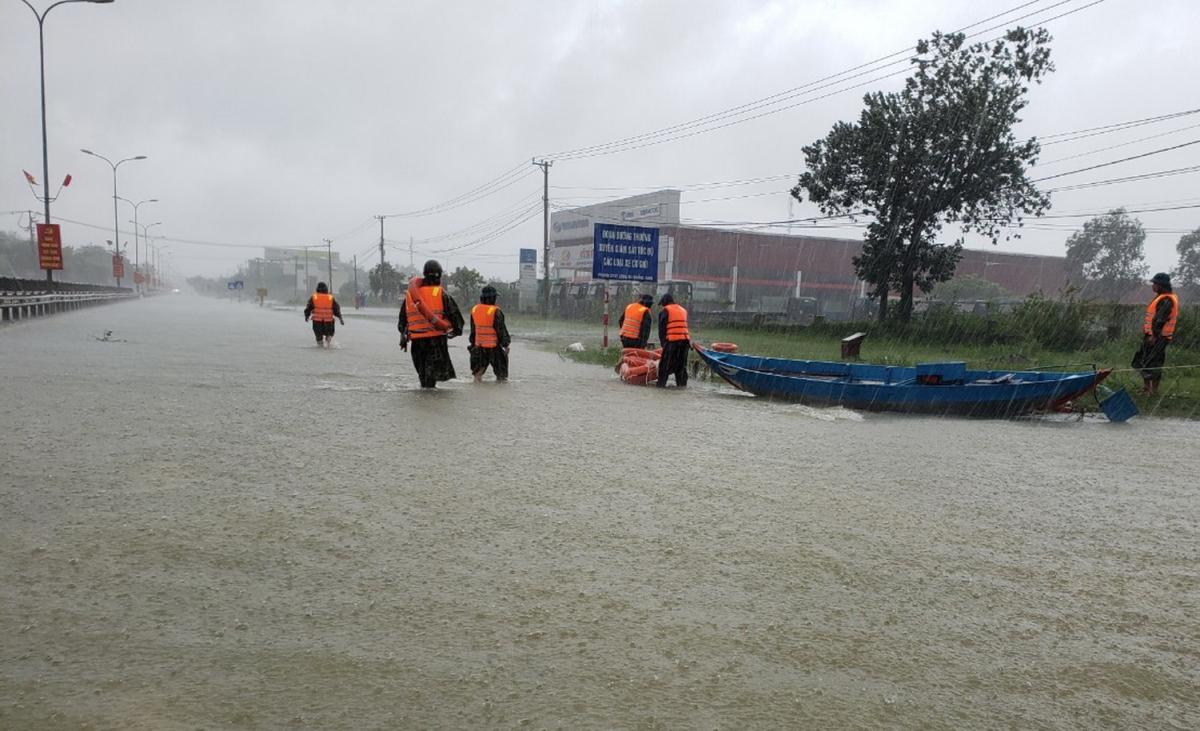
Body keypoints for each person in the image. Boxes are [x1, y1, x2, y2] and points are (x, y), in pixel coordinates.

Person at [398, 260, 464, 388]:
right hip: (436, 342)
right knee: (432, 377)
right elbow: (456, 318)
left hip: (417, 343)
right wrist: (456, 331)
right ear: (439, 275)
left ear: (424, 275)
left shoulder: (410, 297)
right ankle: (430, 404)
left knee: (424, 377)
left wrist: (403, 337)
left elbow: (402, 322)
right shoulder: (441, 294)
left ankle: (424, 403)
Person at [1132, 272, 1179, 395]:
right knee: (1143, 361)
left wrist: (1154, 336)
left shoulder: (1167, 300)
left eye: (1155, 284)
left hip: (1159, 337)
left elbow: (1160, 319)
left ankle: (1154, 390)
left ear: (1161, 285)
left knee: (1154, 363)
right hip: (1152, 336)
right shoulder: (1161, 298)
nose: (1152, 286)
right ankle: (1147, 388)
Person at [469, 285, 511, 382]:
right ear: (492, 298)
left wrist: (472, 345)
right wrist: (506, 345)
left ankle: (477, 392)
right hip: (493, 347)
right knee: (502, 376)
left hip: (478, 347)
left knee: (478, 374)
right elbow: (501, 330)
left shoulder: (475, 310)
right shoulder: (495, 311)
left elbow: (473, 330)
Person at [656, 292, 690, 388]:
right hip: (684, 342)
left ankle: (661, 386)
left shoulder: (665, 311)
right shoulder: (683, 310)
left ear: (664, 302)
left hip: (672, 342)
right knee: (681, 366)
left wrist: (664, 345)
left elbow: (662, 330)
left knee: (665, 366)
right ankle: (682, 386)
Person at [303, 281, 344, 348]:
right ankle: (328, 345)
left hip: (317, 322)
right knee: (329, 335)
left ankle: (320, 347)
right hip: (329, 322)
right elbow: (336, 309)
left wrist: (306, 316)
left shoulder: (314, 297)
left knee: (319, 339)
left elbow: (308, 308)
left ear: (317, 289)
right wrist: (341, 319)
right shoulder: (330, 298)